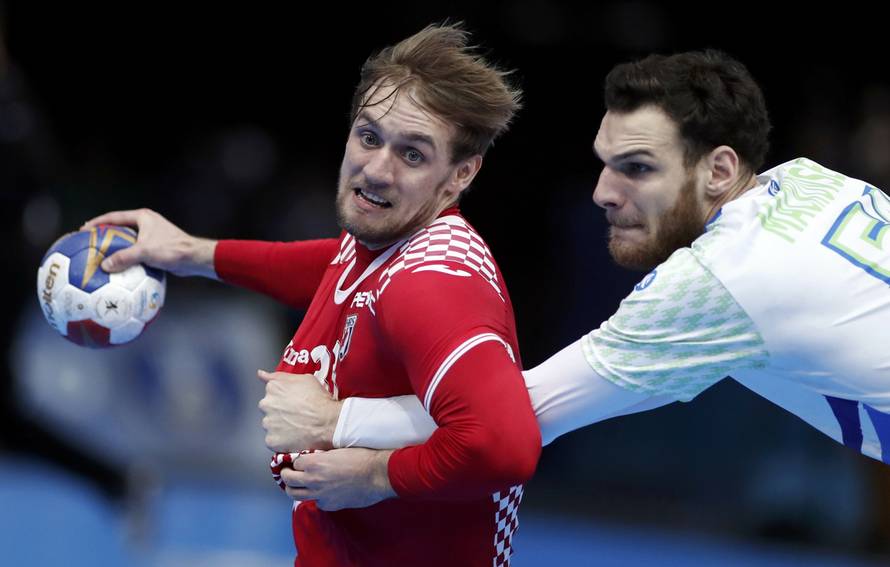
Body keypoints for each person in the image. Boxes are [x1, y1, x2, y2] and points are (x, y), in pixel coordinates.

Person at [275, 49, 890, 497]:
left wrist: (339, 420)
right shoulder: (811, 181)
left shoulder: (719, 284)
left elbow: (510, 419)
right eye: (605, 164)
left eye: (638, 168)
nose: (602, 192)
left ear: (719, 170)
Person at [84, 23, 541, 567]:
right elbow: (331, 267)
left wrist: (374, 474)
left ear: (460, 175)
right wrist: (191, 253)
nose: (376, 169)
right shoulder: (386, 245)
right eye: (369, 137)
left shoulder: (433, 284)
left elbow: (506, 445)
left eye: (413, 155)